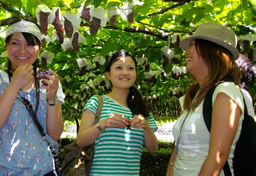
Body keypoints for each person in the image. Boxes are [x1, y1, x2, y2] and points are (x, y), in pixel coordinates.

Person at [0, 20, 65, 175]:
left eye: (30, 44)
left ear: (39, 48)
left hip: (42, 170)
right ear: (6, 46)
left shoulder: (48, 82)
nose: (23, 50)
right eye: (15, 43)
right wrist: (15, 85)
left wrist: (52, 98)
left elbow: (55, 134)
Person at [166, 23, 254, 176]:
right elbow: (177, 152)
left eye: (193, 45)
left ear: (213, 51)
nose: (186, 52)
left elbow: (217, 157)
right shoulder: (192, 98)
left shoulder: (226, 92)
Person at [76, 49, 158, 175]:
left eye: (130, 68)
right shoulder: (96, 102)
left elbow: (153, 149)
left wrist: (146, 127)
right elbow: (81, 141)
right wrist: (103, 124)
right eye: (119, 67)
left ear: (136, 73)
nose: (125, 72)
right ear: (108, 75)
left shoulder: (142, 107)